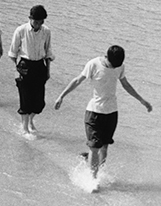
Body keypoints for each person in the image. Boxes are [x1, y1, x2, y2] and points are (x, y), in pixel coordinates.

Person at [53, 44, 153, 180]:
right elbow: (77, 80)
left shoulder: (119, 66)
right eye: (112, 65)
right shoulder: (93, 64)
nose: (114, 68)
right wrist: (61, 96)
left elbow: (126, 85)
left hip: (111, 113)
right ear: (106, 57)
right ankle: (93, 179)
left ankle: (94, 169)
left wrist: (142, 100)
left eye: (116, 66)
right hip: (94, 112)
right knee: (95, 147)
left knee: (104, 147)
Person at [8, 4, 54, 137]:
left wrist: (48, 71)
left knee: (39, 102)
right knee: (25, 99)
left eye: (39, 22)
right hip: (24, 65)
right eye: (34, 21)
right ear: (30, 18)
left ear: (43, 21)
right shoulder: (21, 30)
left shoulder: (46, 31)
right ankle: (25, 128)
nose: (36, 24)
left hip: (40, 65)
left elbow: (48, 51)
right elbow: (12, 53)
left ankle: (30, 120)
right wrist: (16, 70)